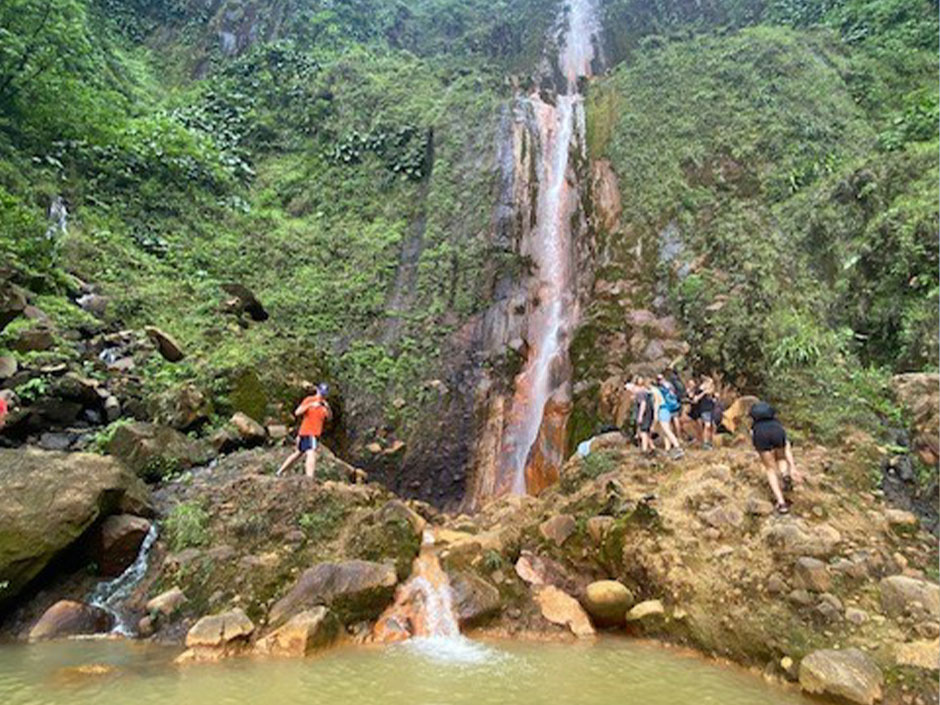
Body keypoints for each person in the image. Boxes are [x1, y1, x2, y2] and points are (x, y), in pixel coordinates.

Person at [750, 400, 802, 514]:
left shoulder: (755, 426)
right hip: (777, 433)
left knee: (770, 469)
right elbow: (787, 447)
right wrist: (792, 467)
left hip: (760, 434)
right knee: (781, 459)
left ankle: (781, 503)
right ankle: (784, 474)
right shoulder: (777, 424)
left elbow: (754, 441)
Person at [277, 383, 332, 480]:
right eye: (321, 392)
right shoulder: (309, 400)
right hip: (309, 432)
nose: (322, 395)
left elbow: (329, 418)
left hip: (312, 432)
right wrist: (311, 405)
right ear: (317, 390)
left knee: (298, 453)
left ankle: (279, 472)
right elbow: (297, 412)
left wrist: (327, 408)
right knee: (311, 452)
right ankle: (309, 478)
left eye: (324, 393)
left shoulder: (324, 405)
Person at [650, 377, 683, 458]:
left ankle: (677, 446)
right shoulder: (661, 390)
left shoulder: (654, 391)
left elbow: (657, 403)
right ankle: (667, 448)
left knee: (666, 430)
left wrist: (655, 415)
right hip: (666, 410)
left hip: (662, 410)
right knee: (664, 432)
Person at [625, 377, 654, 455]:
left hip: (645, 414)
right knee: (646, 431)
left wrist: (640, 416)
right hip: (649, 413)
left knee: (643, 432)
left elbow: (643, 404)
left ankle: (644, 450)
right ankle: (652, 447)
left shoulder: (640, 393)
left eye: (630, 391)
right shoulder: (644, 392)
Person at [691, 376, 717, 449]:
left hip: (711, 409)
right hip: (704, 409)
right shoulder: (700, 390)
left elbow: (713, 398)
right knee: (707, 425)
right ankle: (705, 443)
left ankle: (709, 441)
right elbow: (695, 399)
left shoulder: (711, 392)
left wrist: (714, 398)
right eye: (710, 383)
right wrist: (703, 393)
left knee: (711, 426)